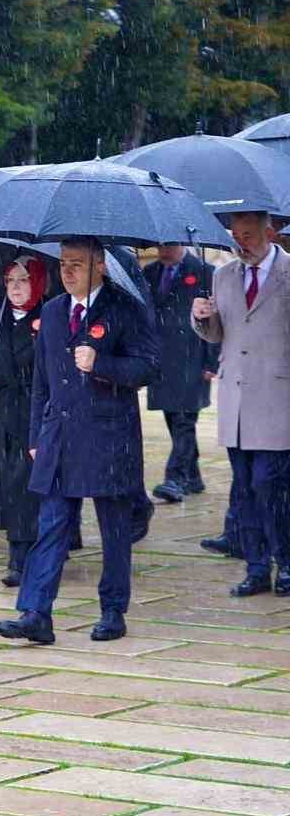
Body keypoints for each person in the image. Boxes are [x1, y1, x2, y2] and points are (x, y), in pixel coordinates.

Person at [0, 237, 158, 645]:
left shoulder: (124, 308)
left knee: (113, 529)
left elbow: (147, 367)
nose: (67, 272)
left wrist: (101, 363)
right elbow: (42, 380)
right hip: (59, 434)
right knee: (51, 524)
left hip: (109, 435)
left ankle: (113, 610)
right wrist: (37, 433)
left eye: (77, 264)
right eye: (63, 263)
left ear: (99, 266)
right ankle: (36, 612)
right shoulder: (53, 311)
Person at [193, 212, 290, 597]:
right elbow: (218, 334)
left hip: (278, 400)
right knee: (246, 488)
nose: (241, 244)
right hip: (235, 401)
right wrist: (202, 318)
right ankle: (256, 568)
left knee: (270, 485)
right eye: (235, 236)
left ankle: (286, 562)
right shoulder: (223, 275)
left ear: (269, 232)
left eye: (248, 236)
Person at [0, 256, 49, 587]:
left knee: (29, 482)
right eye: (10, 280)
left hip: (37, 411)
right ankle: (22, 545)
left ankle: (23, 555)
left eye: (24, 279)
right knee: (7, 481)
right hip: (3, 410)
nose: (16, 287)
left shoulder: (50, 313)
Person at [145, 243, 218, 502]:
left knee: (185, 421)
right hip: (161, 359)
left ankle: (175, 479)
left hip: (192, 356)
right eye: (160, 245)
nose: (163, 250)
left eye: (169, 245)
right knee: (173, 418)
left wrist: (212, 361)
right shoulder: (150, 272)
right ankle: (193, 477)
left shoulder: (205, 271)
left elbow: (217, 318)